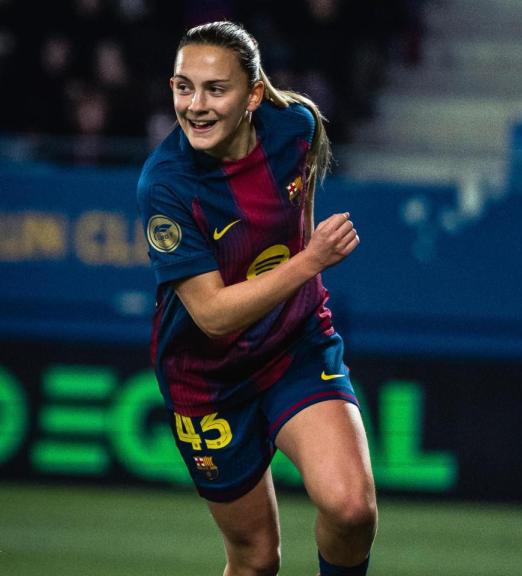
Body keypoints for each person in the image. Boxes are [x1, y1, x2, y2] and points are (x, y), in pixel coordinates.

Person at [136, 21, 376, 576]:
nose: (195, 105)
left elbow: (300, 204)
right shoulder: (165, 185)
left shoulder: (297, 125)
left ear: (254, 94)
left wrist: (304, 263)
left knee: (351, 509)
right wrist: (309, 260)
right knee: (255, 560)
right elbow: (213, 316)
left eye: (215, 89)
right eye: (182, 86)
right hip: (208, 379)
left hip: (294, 347)